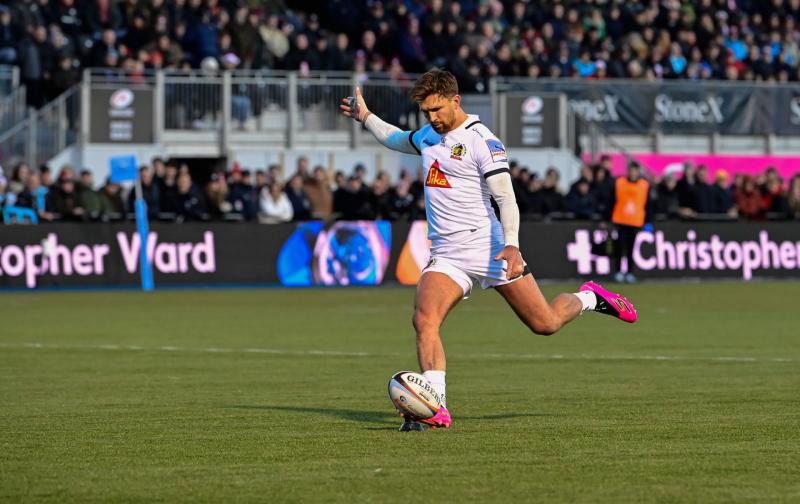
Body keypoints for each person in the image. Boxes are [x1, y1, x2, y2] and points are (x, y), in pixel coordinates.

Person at [340, 68, 638, 431]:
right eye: (426, 112)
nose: (432, 118)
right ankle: (434, 407)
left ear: (456, 100)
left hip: (490, 248)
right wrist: (366, 117)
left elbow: (506, 199)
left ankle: (590, 297)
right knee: (424, 319)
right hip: (448, 255)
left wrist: (512, 245)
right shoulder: (428, 136)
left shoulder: (483, 140)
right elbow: (397, 139)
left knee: (544, 324)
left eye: (437, 109)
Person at [609, 161, 650, 284]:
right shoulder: (620, 183)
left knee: (632, 249)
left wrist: (648, 221)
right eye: (631, 170)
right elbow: (611, 200)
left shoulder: (644, 185)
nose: (632, 173)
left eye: (634, 171)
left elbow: (648, 204)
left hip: (635, 222)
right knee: (620, 248)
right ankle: (618, 272)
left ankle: (630, 272)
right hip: (621, 220)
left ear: (638, 172)